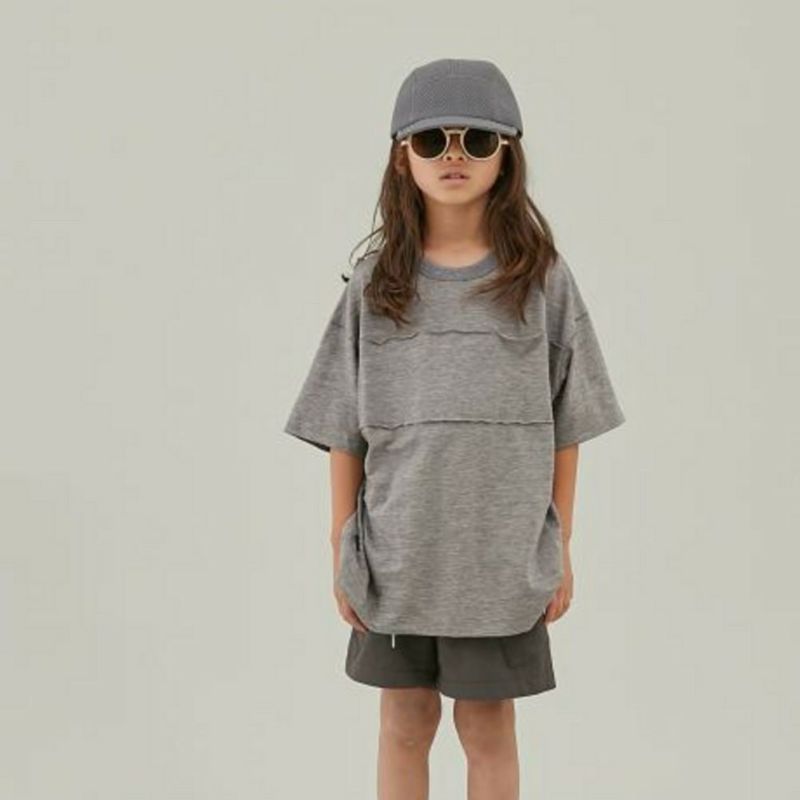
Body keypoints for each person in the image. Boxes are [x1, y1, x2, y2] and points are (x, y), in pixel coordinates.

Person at [283, 58, 626, 800]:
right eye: (433, 139)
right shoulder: (375, 285)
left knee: (488, 728)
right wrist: (342, 545)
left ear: (508, 154)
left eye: (477, 139)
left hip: (500, 564)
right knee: (403, 724)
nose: (454, 156)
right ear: (401, 156)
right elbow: (342, 428)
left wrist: (560, 543)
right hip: (396, 556)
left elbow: (570, 421)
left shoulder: (542, 281)